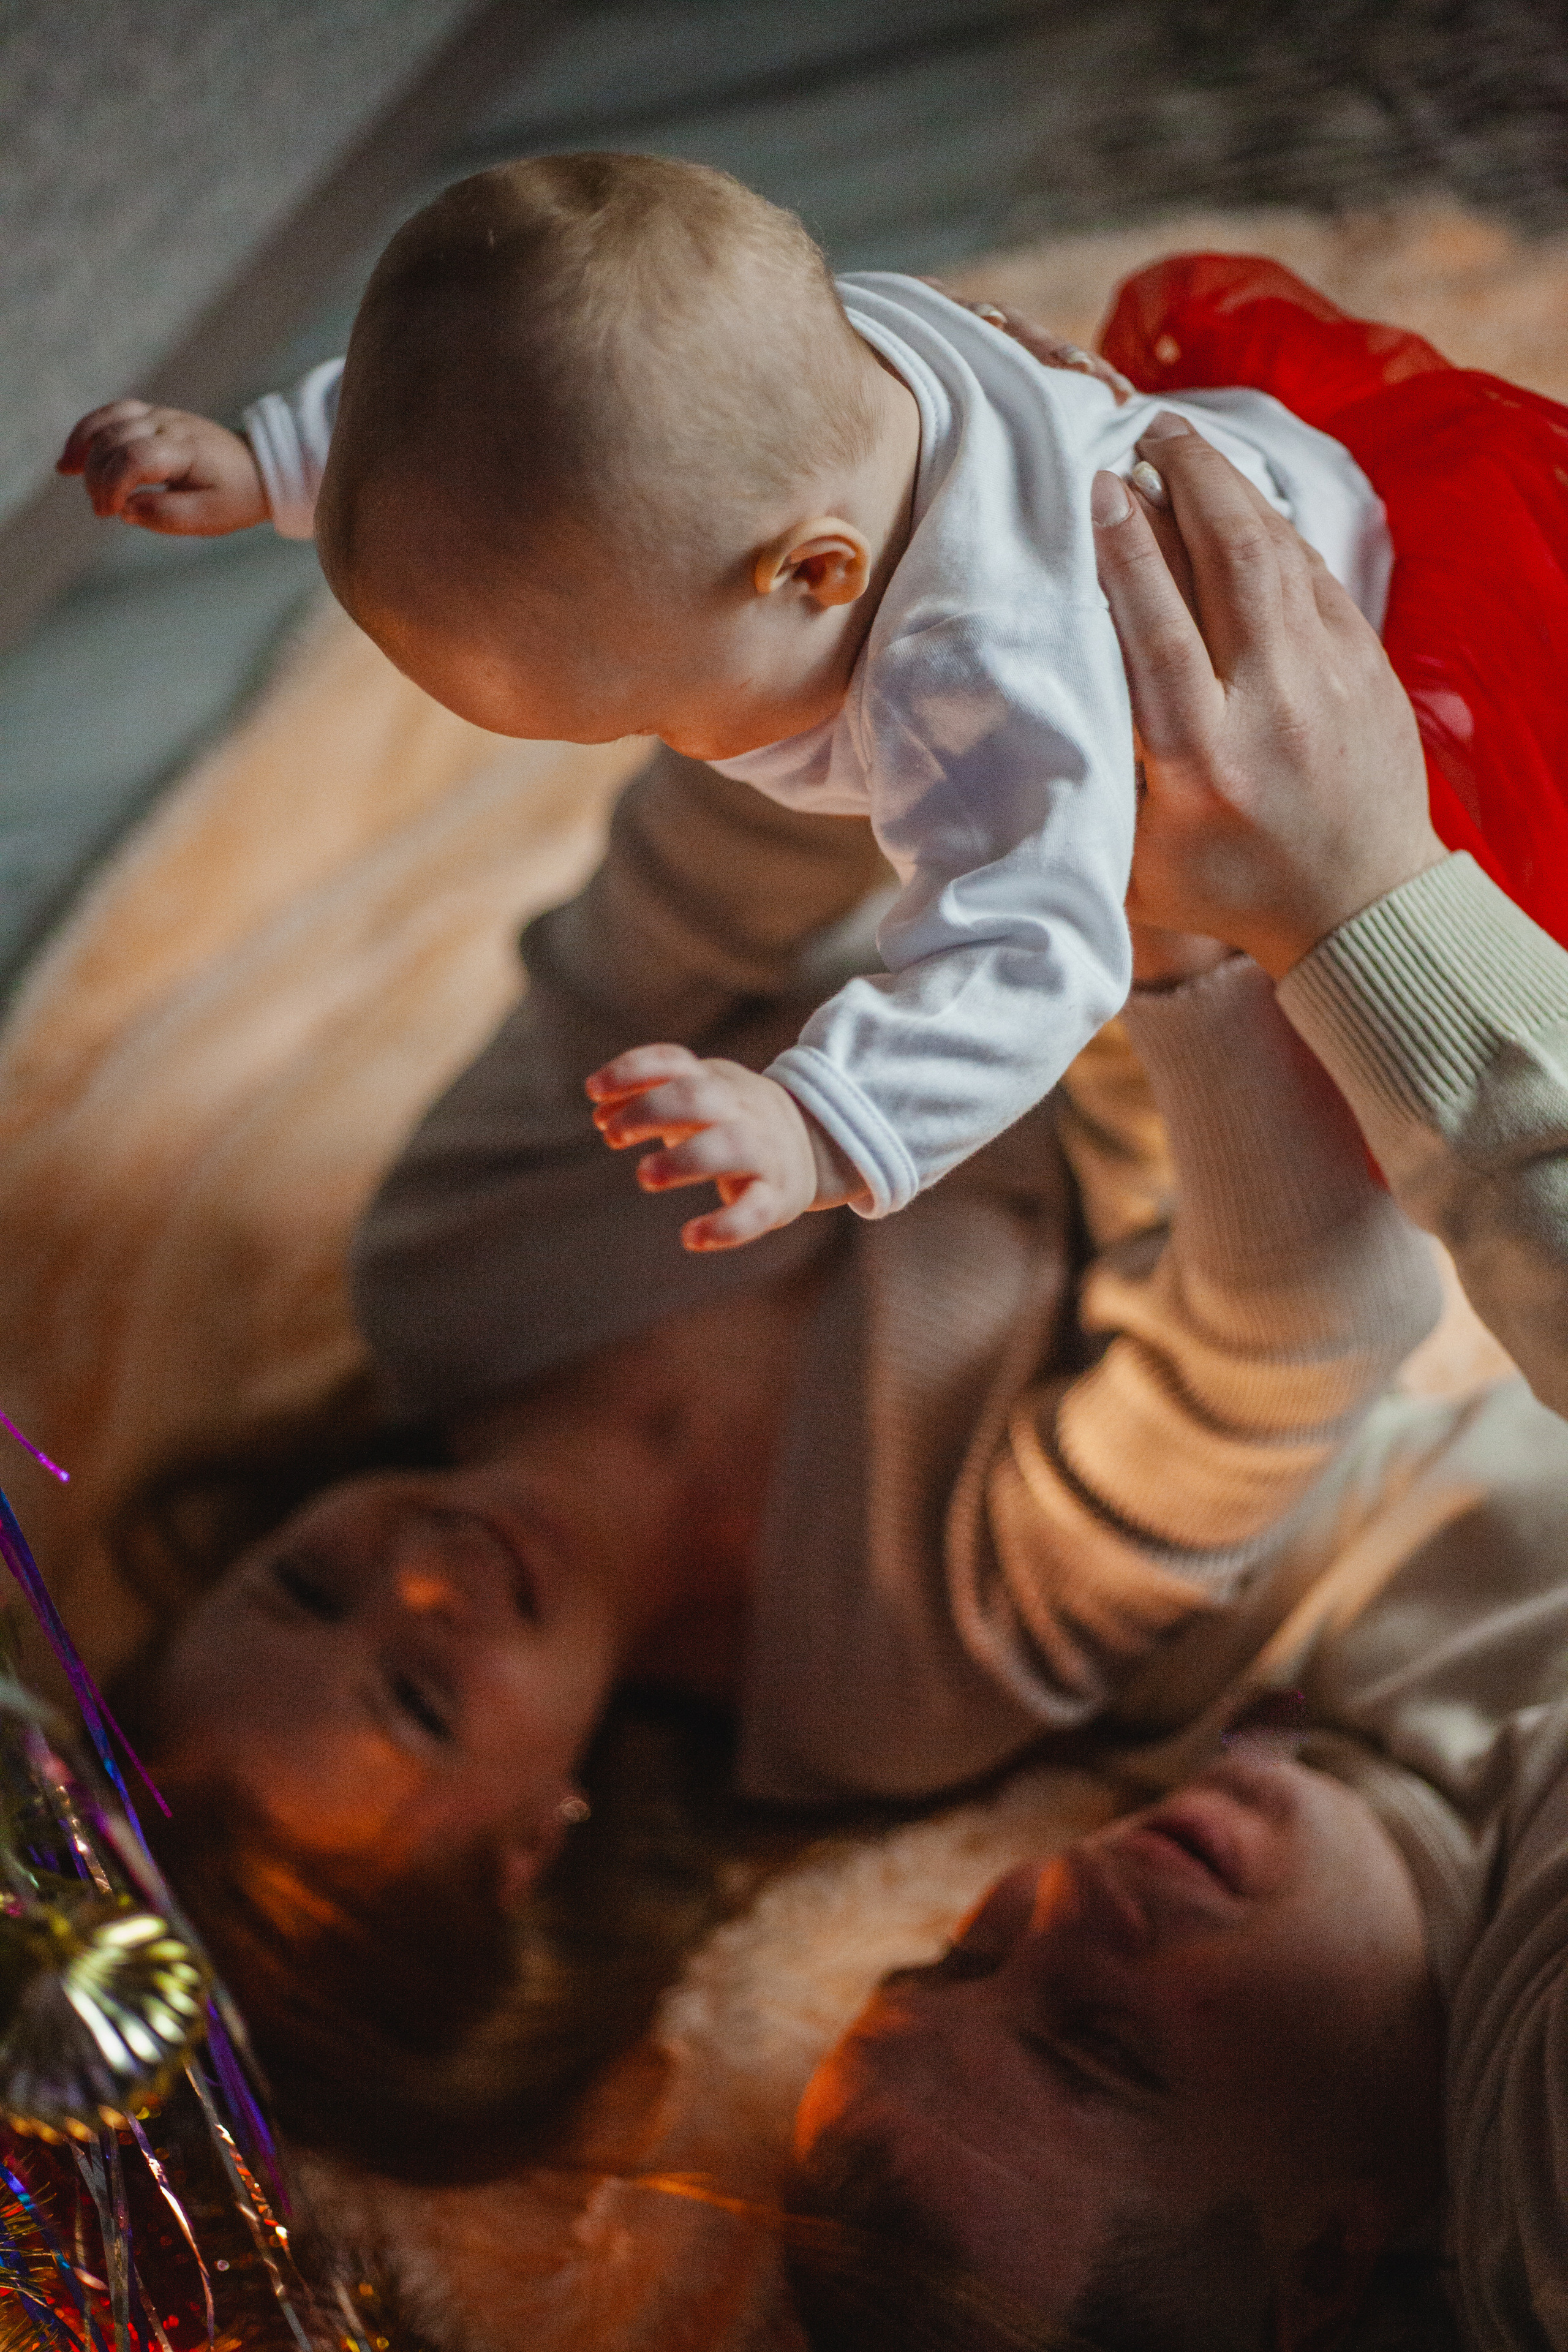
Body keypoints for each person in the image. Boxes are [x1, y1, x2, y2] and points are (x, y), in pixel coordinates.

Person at [785, 415, 1568, 2352]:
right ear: (1328, 2261)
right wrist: (1347, 902)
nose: (1066, 1905)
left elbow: (1283, 1297)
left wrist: (1168, 931)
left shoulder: (1248, 1700)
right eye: (1105, 2050)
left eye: (967, 1947)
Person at [58, 153, 1392, 1254]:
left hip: (1278, 726)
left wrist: (821, 1120)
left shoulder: (974, 679)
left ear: (816, 572)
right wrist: (277, 461)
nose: (663, 743)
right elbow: (506, 394)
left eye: (648, 709)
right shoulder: (790, 367)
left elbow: (1031, 953)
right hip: (1213, 470)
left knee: (1176, 1046)